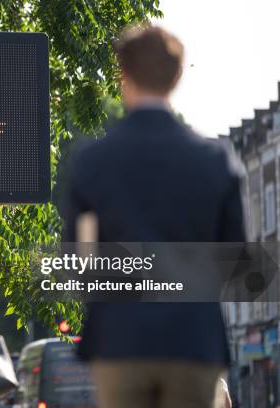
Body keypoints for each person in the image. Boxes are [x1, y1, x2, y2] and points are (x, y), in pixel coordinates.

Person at [64, 25, 245, 408]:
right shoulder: (215, 161)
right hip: (193, 340)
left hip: (119, 339)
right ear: (177, 77)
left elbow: (81, 259)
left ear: (123, 75)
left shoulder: (93, 161)